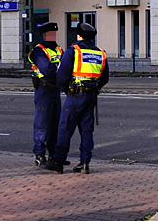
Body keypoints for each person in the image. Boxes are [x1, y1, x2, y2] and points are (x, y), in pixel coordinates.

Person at [41, 22, 109, 175]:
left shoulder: (73, 51)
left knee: (65, 129)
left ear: (79, 36)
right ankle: (85, 163)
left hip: (75, 96)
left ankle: (58, 162)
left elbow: (62, 76)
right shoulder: (101, 53)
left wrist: (68, 90)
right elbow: (104, 78)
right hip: (91, 96)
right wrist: (94, 88)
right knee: (87, 131)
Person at [27, 22, 63, 168]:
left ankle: (53, 154)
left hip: (55, 90)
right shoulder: (39, 51)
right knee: (42, 124)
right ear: (44, 35)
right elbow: (48, 70)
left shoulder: (59, 49)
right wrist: (62, 71)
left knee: (55, 124)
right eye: (49, 34)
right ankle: (40, 154)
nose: (52, 36)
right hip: (44, 90)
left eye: (53, 34)